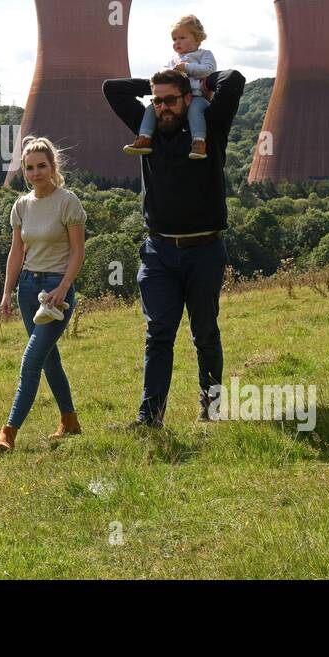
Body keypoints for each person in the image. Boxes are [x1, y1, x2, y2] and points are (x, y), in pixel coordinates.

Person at [103, 65, 245, 426]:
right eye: (158, 101)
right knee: (159, 335)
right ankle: (150, 418)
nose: (163, 107)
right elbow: (112, 88)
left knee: (205, 333)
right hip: (159, 253)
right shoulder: (146, 132)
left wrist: (199, 81)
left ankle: (212, 410)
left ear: (187, 99)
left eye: (170, 100)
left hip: (204, 249)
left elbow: (235, 80)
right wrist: (152, 83)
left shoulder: (210, 128)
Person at [0, 137, 87, 453]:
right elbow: (16, 252)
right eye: (30, 168)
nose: (35, 173)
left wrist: (63, 288)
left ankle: (9, 432)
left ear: (52, 167)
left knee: (31, 360)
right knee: (48, 359)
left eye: (41, 166)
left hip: (56, 292)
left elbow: (78, 252)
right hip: (28, 290)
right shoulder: (21, 206)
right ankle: (70, 420)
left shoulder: (67, 201)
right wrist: (7, 291)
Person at [124, 14, 217, 160]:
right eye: (174, 39)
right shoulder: (173, 59)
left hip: (197, 96)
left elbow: (209, 69)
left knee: (195, 110)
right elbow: (162, 73)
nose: (177, 42)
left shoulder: (204, 54)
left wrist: (187, 68)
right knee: (151, 108)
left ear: (198, 38)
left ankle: (199, 142)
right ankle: (144, 138)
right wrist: (165, 74)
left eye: (182, 38)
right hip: (175, 99)